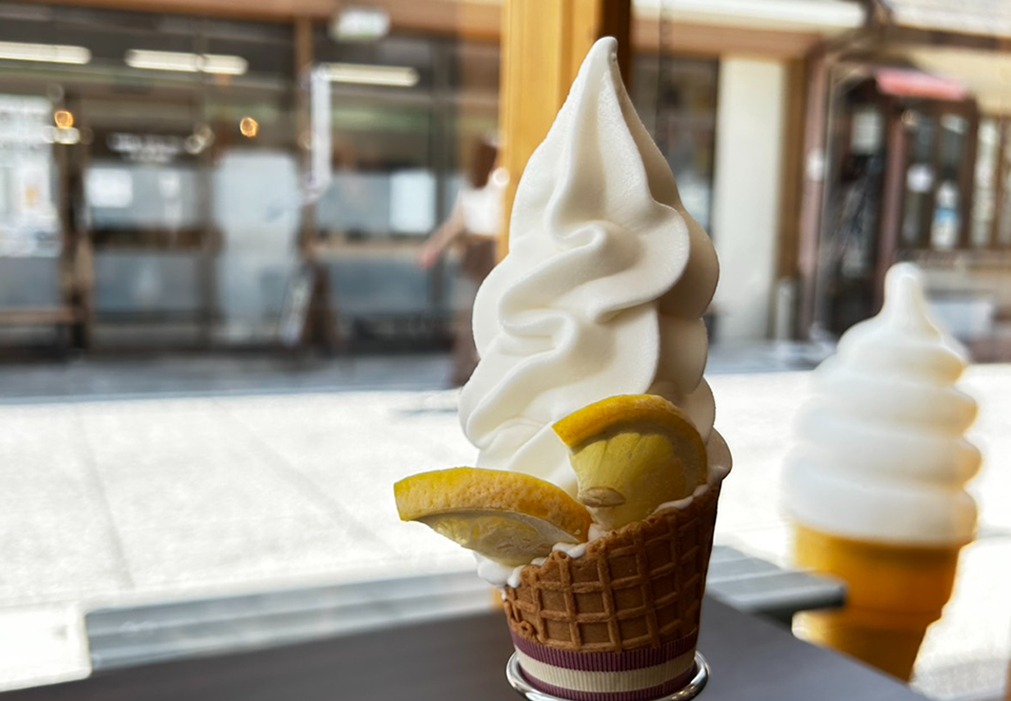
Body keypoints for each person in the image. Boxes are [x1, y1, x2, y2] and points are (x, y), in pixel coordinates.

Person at [419, 138, 506, 386]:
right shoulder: (476, 187)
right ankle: (464, 370)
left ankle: (485, 369)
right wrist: (434, 247)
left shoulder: (502, 181)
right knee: (468, 315)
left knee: (491, 312)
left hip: (495, 249)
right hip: (478, 252)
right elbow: (457, 223)